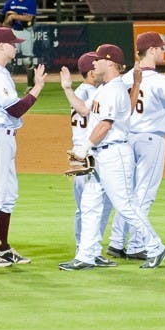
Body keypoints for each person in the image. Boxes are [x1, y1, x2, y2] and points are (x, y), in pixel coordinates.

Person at [60, 44, 165, 271]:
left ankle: (155, 246)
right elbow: (84, 110)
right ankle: (87, 255)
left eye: (98, 60)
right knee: (90, 205)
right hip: (101, 154)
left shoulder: (113, 90)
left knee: (125, 204)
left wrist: (85, 148)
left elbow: (106, 124)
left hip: (114, 153)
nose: (94, 64)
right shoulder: (106, 88)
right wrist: (68, 89)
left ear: (110, 63)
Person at [108, 31, 165, 260]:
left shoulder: (124, 79)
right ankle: (136, 245)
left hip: (125, 139)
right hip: (150, 141)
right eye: (161, 48)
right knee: (144, 194)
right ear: (151, 51)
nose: (163, 51)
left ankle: (115, 241)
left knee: (126, 194)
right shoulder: (161, 82)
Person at [0, 27, 46, 266]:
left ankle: (3, 247)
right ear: (1, 46)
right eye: (13, 44)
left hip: (5, 137)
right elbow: (14, 109)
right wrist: (37, 88)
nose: (16, 47)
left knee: (8, 195)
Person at [60, 52, 112, 248]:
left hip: (80, 152)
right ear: (92, 72)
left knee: (86, 207)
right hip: (87, 155)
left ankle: (85, 247)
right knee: (91, 206)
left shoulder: (82, 91)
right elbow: (85, 111)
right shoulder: (90, 93)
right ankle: (87, 248)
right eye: (98, 65)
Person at [0, 0, 38, 71]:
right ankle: (6, 82)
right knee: (8, 58)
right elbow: (1, 16)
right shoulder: (11, 1)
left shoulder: (30, 1)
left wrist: (13, 16)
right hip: (13, 31)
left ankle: (30, 84)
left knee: (27, 60)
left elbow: (29, 17)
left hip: (26, 31)